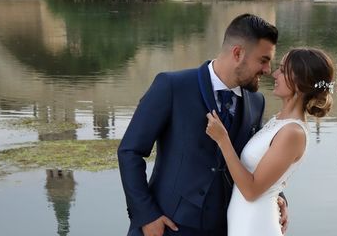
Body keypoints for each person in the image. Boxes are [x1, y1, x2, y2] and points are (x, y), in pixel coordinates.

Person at [118, 13, 287, 236]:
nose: (267, 70)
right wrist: (146, 214)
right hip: (167, 227)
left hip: (226, 227)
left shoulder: (256, 102)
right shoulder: (172, 87)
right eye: (263, 60)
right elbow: (130, 151)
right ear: (238, 53)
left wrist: (278, 196)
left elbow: (256, 160)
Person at [205, 47, 334, 236]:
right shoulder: (279, 120)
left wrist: (223, 140)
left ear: (298, 82)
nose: (274, 74)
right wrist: (279, 196)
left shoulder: (293, 132)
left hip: (256, 224)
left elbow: (251, 190)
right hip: (245, 219)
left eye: (282, 70)